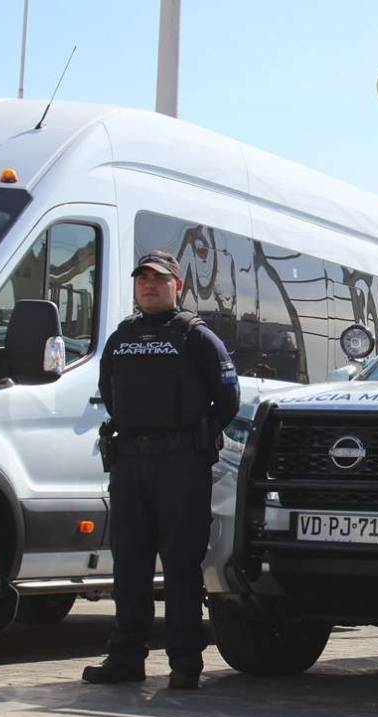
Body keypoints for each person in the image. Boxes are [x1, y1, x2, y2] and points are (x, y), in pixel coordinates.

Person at [82, 251, 240, 690]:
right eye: (143, 278)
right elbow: (109, 392)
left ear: (177, 286)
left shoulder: (196, 336)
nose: (149, 285)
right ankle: (126, 659)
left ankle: (185, 663)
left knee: (180, 567)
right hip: (130, 465)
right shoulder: (122, 338)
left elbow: (227, 398)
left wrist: (195, 438)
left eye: (159, 278)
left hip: (180, 468)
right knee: (129, 567)